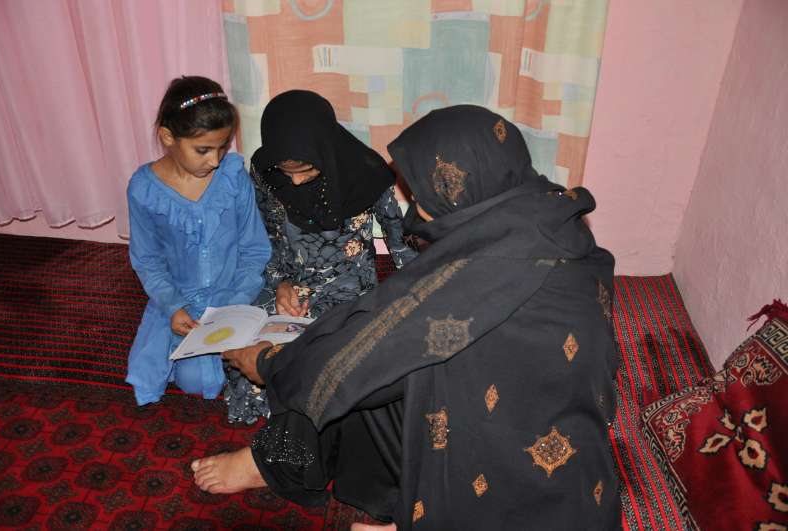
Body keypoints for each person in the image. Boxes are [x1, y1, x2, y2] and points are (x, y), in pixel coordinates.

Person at [193, 105, 620, 530]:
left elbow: (373, 349)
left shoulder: (483, 268)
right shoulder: (547, 219)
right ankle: (292, 463)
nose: (415, 204)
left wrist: (269, 364)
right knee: (365, 338)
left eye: (423, 193)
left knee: (352, 361)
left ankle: (296, 468)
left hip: (510, 480)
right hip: (558, 451)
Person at [224, 90, 417, 423]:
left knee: (326, 356)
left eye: (307, 171)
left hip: (346, 286)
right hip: (286, 284)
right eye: (288, 172)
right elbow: (265, 238)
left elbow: (401, 245)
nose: (296, 182)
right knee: (244, 348)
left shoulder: (366, 173)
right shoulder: (265, 171)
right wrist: (279, 282)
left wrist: (414, 298)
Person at [126, 76, 271, 406]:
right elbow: (147, 258)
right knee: (147, 377)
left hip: (232, 295)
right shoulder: (143, 189)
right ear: (167, 138)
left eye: (223, 147)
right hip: (179, 299)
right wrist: (172, 305)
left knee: (204, 380)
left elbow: (254, 248)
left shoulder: (233, 177)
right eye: (203, 150)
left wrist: (234, 304)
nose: (215, 160)